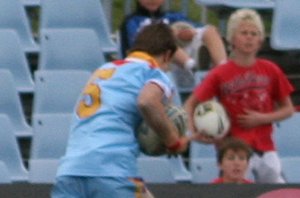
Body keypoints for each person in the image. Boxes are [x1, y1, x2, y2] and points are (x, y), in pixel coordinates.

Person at [51, 23, 196, 198]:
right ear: (167, 55)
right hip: (112, 168)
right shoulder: (152, 73)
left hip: (70, 172)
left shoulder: (103, 70)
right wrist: (173, 141)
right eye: (169, 64)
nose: (167, 69)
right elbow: (147, 101)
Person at [184, 8, 295, 183]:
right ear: (232, 38)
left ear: (260, 41)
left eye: (254, 33)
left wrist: (263, 118)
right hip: (234, 151)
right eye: (244, 33)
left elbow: (288, 109)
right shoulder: (220, 74)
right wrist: (194, 132)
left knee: (276, 189)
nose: (249, 37)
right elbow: (190, 104)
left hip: (266, 147)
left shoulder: (270, 70)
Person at [120, 0, 227, 84]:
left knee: (210, 31)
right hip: (158, 66)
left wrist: (189, 32)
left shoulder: (173, 16)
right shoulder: (132, 21)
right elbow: (134, 47)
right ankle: (195, 69)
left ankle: (225, 71)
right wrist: (169, 34)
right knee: (165, 39)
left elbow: (199, 28)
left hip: (183, 57)